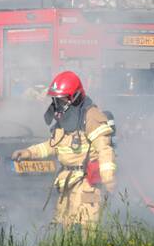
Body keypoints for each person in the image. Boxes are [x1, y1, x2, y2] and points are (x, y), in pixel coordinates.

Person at [11, 71, 116, 232]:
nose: (57, 104)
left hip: (87, 185)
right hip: (66, 183)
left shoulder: (91, 116)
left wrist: (108, 179)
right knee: (63, 229)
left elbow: (104, 149)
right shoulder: (65, 118)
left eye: (61, 99)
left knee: (88, 229)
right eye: (56, 100)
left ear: (74, 97)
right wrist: (28, 153)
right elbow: (53, 145)